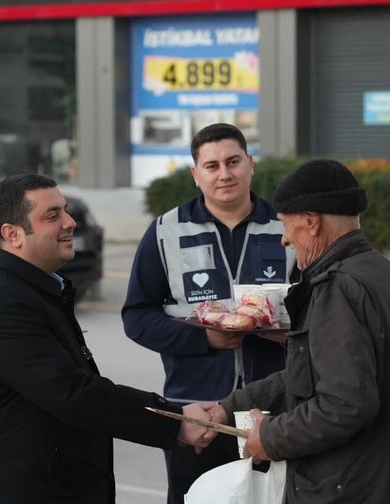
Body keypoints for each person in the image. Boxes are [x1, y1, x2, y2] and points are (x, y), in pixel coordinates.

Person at [196, 159, 390, 502]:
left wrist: (270, 437)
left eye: (286, 225)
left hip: (366, 487)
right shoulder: (386, 273)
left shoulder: (338, 288)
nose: (284, 240)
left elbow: (344, 405)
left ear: (311, 221)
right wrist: (229, 406)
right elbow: (311, 375)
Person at [0, 174, 213, 503]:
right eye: (52, 215)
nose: (70, 222)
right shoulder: (2, 303)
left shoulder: (36, 290)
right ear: (12, 234)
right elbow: (72, 393)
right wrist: (173, 422)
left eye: (66, 210)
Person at [122, 122, 292, 503]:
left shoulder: (285, 227)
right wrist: (204, 338)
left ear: (250, 164)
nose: (225, 173)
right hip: (197, 407)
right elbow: (136, 317)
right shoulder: (166, 231)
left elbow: (317, 312)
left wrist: (285, 332)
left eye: (233, 161)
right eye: (212, 166)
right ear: (195, 175)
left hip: (275, 407)